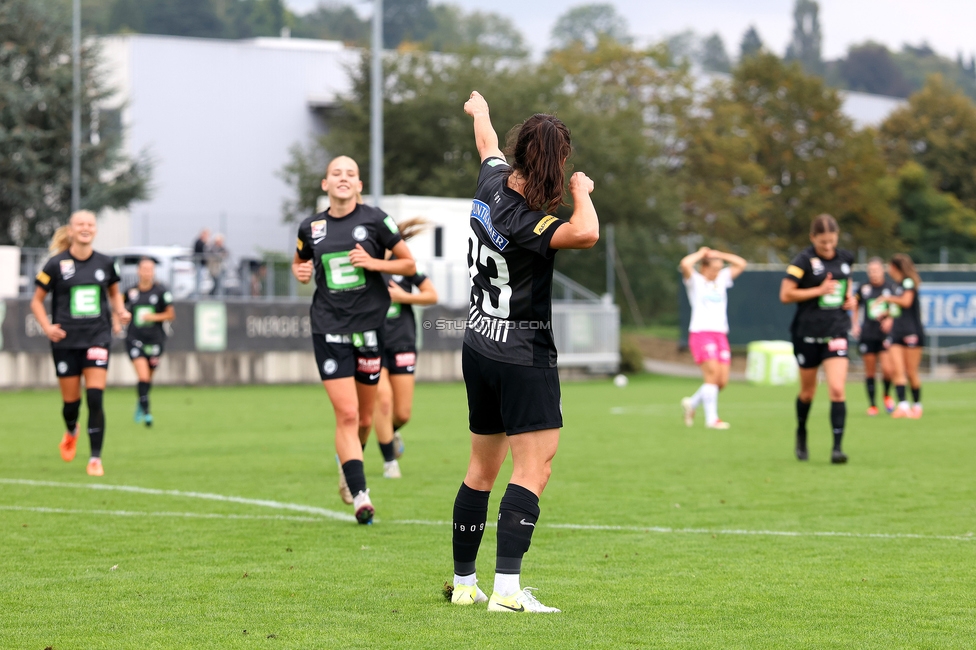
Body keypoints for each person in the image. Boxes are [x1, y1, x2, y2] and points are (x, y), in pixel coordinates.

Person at [448, 91, 599, 614]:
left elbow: (486, 144)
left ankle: (465, 583)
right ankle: (507, 591)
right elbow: (587, 232)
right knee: (534, 469)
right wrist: (582, 191)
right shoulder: (526, 221)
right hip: (521, 353)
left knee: (479, 470)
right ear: (553, 164)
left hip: (477, 344)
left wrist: (480, 111)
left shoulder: (491, 181)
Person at [292, 155, 416, 525]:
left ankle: (351, 466)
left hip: (368, 330)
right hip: (328, 329)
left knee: (364, 417)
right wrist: (300, 272)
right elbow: (301, 261)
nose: (343, 178)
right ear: (325, 184)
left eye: (351, 174)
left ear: (359, 185)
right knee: (346, 414)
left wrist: (375, 263)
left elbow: (408, 264)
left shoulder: (376, 220)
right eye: (336, 173)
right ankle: (361, 495)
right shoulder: (310, 227)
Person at [30, 210, 131, 476]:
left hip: (97, 337)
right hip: (66, 342)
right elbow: (36, 301)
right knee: (71, 404)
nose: (85, 228)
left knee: (95, 397)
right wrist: (47, 327)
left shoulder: (107, 264)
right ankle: (71, 429)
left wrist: (120, 312)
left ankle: (95, 458)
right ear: (71, 230)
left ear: (95, 230)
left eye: (90, 224)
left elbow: (114, 295)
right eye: (80, 224)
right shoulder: (56, 264)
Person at [779, 214, 857, 464]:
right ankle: (801, 431)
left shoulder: (845, 259)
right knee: (808, 393)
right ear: (813, 238)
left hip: (836, 331)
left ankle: (837, 448)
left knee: (836, 388)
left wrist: (851, 301)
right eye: (823, 242)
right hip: (807, 334)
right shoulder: (802, 261)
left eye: (832, 241)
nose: (828, 247)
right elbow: (786, 294)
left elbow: (848, 287)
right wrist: (819, 290)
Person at [369, 218, 438, 479]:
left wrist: (404, 297)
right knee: (383, 401)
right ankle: (390, 463)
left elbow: (432, 295)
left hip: (402, 341)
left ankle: (383, 433)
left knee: (402, 413)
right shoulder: (368, 266)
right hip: (372, 343)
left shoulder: (406, 266)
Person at [679, 246, 747, 429]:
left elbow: (741, 263)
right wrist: (702, 253)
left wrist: (720, 255)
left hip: (720, 334)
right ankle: (712, 420)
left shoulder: (722, 279)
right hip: (701, 333)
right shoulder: (695, 281)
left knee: (721, 382)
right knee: (711, 375)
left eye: (719, 269)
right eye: (714, 269)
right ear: (704, 268)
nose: (718, 272)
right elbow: (685, 263)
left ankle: (692, 403)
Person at [124, 258, 175, 427]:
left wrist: (153, 317)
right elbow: (120, 310)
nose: (147, 272)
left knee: (148, 379)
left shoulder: (161, 292)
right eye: (144, 269)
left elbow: (170, 314)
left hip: (155, 341)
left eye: (150, 269)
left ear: (153, 272)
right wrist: (119, 320)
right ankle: (147, 413)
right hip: (134, 339)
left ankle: (141, 401)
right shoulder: (130, 292)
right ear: (138, 271)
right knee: (143, 376)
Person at [877, 253, 924, 419]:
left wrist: (887, 299)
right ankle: (903, 406)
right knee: (897, 369)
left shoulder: (908, 282)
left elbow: (906, 302)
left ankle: (917, 406)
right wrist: (886, 313)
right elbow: (898, 308)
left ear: (895, 267)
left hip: (912, 332)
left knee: (911, 371)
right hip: (896, 332)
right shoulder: (896, 285)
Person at [852, 258, 896, 415]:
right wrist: (855, 323)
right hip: (868, 334)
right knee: (870, 372)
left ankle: (886, 395)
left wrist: (890, 318)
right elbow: (855, 306)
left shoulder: (890, 288)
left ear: (882, 271)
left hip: (884, 335)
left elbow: (896, 308)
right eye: (871, 271)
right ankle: (872, 405)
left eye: (876, 270)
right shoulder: (863, 288)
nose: (873, 274)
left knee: (887, 370)